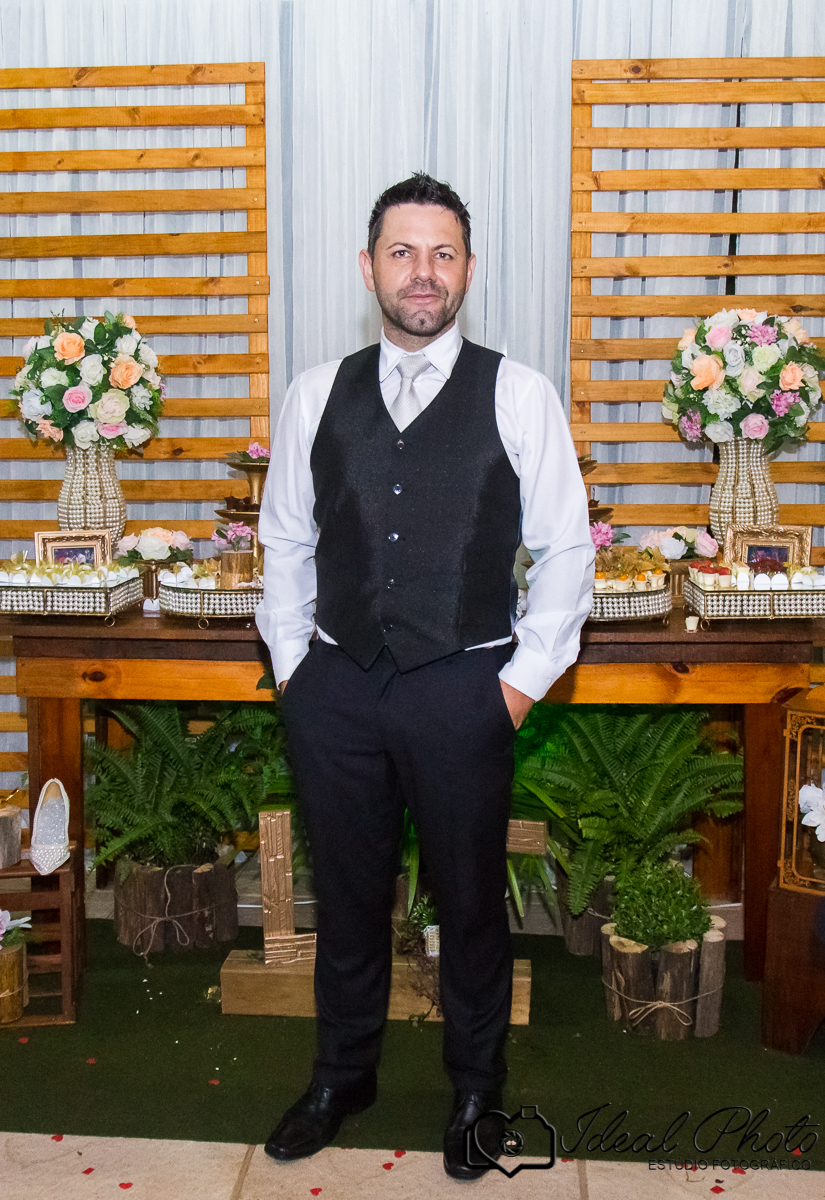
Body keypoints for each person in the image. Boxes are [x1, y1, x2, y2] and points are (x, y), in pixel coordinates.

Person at [255, 172, 594, 1180]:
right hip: (337, 686)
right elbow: (285, 544)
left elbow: (566, 553)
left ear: (468, 271)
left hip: (464, 687)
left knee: (471, 902)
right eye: (402, 252)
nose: (422, 272)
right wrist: (294, 671)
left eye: (442, 254)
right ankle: (341, 1076)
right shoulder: (314, 393)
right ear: (368, 268)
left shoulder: (520, 394)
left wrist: (517, 687)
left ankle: (478, 1089)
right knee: (347, 894)